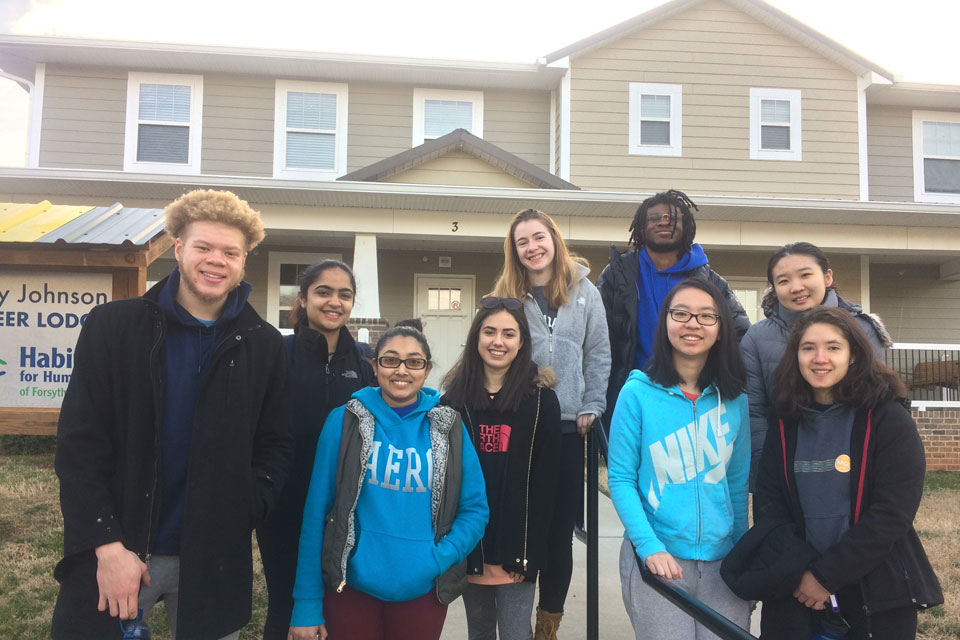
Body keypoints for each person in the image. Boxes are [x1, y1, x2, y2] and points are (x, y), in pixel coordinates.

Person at [51, 189, 292, 639]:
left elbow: (276, 442)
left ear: (244, 262)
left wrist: (246, 508)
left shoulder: (264, 344)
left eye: (230, 252)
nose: (216, 260)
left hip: (213, 557)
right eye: (203, 247)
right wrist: (106, 546)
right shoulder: (113, 327)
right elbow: (79, 444)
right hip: (121, 550)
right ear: (178, 248)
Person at [741, 307, 942, 639]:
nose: (820, 358)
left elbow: (892, 513)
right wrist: (803, 573)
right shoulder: (784, 421)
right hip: (797, 590)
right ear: (796, 357)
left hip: (875, 590)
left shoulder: (888, 418)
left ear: (852, 356)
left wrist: (826, 576)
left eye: (833, 347)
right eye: (808, 348)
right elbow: (769, 506)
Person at [288, 326, 489, 640]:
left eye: (414, 362)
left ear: (427, 369)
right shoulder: (343, 421)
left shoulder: (449, 428)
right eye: (391, 360)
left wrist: (438, 558)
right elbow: (316, 514)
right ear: (375, 366)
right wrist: (306, 604)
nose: (401, 371)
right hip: (350, 589)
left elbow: (475, 511)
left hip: (422, 593)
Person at [608, 277, 751, 640]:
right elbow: (621, 478)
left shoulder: (735, 399)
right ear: (665, 322)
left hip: (723, 565)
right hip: (659, 558)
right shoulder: (636, 393)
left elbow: (736, 482)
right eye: (681, 313)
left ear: (720, 329)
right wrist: (648, 546)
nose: (693, 324)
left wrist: (740, 552)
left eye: (707, 316)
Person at [491, 208, 611, 640]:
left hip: (567, 429)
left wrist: (592, 403)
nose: (532, 247)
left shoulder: (585, 291)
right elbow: (495, 351)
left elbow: (597, 352)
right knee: (526, 525)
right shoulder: (506, 294)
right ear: (515, 250)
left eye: (538, 237)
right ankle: (514, 622)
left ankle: (549, 624)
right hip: (522, 423)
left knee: (559, 532)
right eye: (522, 242)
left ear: (554, 239)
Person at [257, 260, 373, 639]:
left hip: (345, 510)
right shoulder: (276, 354)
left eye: (345, 294)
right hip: (285, 506)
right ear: (303, 298)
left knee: (341, 609)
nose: (334, 302)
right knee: (287, 608)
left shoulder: (366, 365)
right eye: (323, 292)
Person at [441, 296, 562, 640]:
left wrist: (534, 552)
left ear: (522, 341)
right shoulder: (453, 401)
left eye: (509, 334)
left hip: (517, 550)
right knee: (479, 631)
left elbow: (546, 484)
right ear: (476, 337)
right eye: (489, 332)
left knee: (514, 633)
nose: (498, 341)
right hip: (471, 544)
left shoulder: (541, 402)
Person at [740, 242, 890, 489]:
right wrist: (766, 471)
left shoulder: (861, 329)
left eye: (805, 275)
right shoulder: (756, 338)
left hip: (850, 464)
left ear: (827, 276)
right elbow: (753, 413)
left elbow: (875, 402)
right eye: (783, 280)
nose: (796, 287)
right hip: (784, 464)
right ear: (774, 288)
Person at [597, 189, 749, 427]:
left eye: (672, 218)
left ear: (686, 225)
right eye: (655, 218)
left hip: (696, 396)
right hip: (633, 395)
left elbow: (739, 333)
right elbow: (596, 337)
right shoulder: (617, 275)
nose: (664, 222)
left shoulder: (709, 280)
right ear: (641, 226)